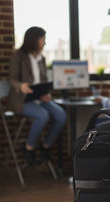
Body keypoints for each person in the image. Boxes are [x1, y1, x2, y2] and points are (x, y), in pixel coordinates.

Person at [8, 26, 66, 165]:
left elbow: (43, 80)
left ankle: (45, 146)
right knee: (42, 115)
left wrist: (46, 93)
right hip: (22, 99)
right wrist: (21, 86)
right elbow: (11, 79)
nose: (44, 43)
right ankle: (29, 147)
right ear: (34, 40)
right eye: (43, 40)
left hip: (39, 97)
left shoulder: (42, 59)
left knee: (61, 115)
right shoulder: (18, 56)